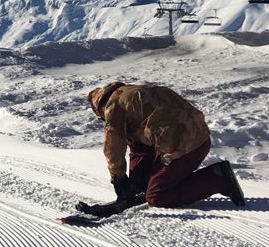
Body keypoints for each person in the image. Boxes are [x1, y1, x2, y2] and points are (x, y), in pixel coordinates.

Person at [85, 82, 244, 216]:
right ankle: (142, 185)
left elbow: (113, 146)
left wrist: (118, 179)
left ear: (99, 107)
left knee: (157, 196)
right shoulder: (134, 93)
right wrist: (136, 185)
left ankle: (217, 178)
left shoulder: (114, 106)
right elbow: (140, 147)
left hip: (184, 150)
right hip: (201, 139)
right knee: (143, 174)